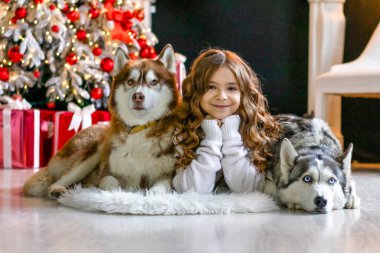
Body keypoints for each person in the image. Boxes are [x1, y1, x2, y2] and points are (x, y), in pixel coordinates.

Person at [172, 48, 279, 194]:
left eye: (231, 88)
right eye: (211, 87)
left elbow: (248, 190)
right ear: (196, 91)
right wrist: (211, 140)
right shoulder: (183, 128)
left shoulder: (253, 127)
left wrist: (231, 137)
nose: (222, 96)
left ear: (244, 93)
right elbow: (190, 191)